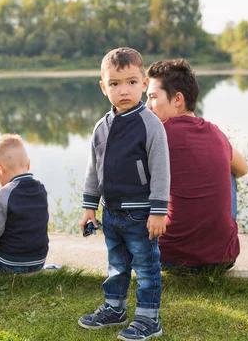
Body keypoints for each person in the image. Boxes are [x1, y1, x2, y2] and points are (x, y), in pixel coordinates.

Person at [78, 47, 170, 341]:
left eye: (132, 82)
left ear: (144, 84)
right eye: (115, 84)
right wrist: (89, 208)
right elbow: (94, 170)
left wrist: (158, 211)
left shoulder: (150, 124)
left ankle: (148, 318)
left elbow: (161, 170)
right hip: (112, 213)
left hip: (142, 213)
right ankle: (115, 308)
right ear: (104, 88)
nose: (124, 90)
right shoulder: (101, 127)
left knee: (146, 266)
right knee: (116, 264)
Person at [145, 59, 248, 274]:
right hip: (223, 258)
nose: (147, 106)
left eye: (153, 97)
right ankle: (213, 241)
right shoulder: (216, 133)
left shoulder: (157, 135)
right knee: (228, 173)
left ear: (178, 99)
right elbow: (243, 169)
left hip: (170, 257)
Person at [0, 134, 50, 273]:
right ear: (29, 164)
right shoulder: (41, 189)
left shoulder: (4, 193)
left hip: (9, 264)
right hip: (38, 261)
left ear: (0, 169)